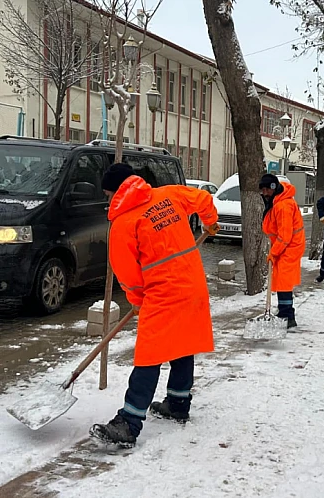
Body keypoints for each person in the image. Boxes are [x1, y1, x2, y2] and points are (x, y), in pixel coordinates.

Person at [90, 163, 220, 448]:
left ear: (117, 191)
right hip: (193, 284)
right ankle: (177, 403)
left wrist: (138, 302)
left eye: (109, 193)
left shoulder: (123, 224)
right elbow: (204, 201)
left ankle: (129, 422)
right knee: (183, 343)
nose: (109, 200)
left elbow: (128, 276)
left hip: (162, 294)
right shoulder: (169, 195)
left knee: (149, 356)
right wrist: (210, 222)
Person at [259, 173, 305, 329]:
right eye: (262, 190)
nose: (264, 193)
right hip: (285, 245)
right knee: (280, 278)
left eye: (267, 190)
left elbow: (285, 235)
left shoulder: (283, 206)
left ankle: (288, 315)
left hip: (290, 245)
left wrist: (274, 252)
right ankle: (284, 311)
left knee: (283, 279)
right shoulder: (277, 200)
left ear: (274, 188)